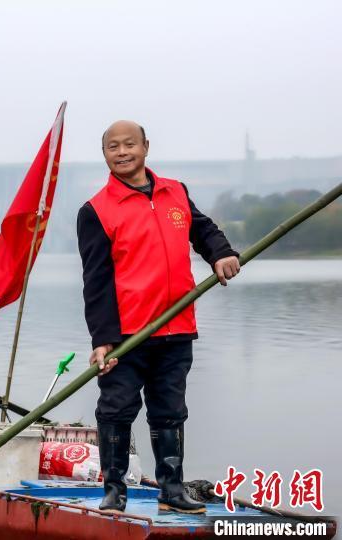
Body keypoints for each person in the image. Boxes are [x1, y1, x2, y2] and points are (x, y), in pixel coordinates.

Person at [77, 120, 240, 514]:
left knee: (170, 412)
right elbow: (96, 282)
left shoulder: (175, 191)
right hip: (127, 336)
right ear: (104, 154)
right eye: (113, 147)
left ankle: (171, 491)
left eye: (129, 144)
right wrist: (102, 339)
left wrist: (221, 253)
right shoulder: (96, 210)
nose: (122, 152)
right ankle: (114, 491)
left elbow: (203, 230)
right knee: (116, 411)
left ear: (146, 147)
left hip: (177, 328)